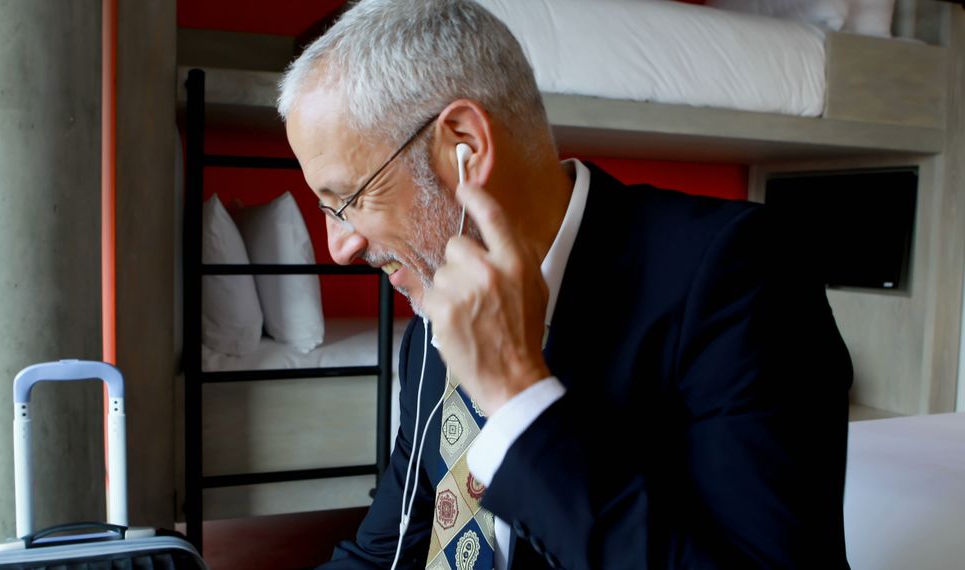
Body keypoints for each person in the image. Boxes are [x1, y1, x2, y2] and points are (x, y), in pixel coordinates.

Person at [277, 1, 853, 568]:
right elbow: (387, 549)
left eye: (347, 202)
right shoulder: (432, 325)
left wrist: (516, 396)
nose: (339, 246)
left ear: (465, 147)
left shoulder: (739, 274)